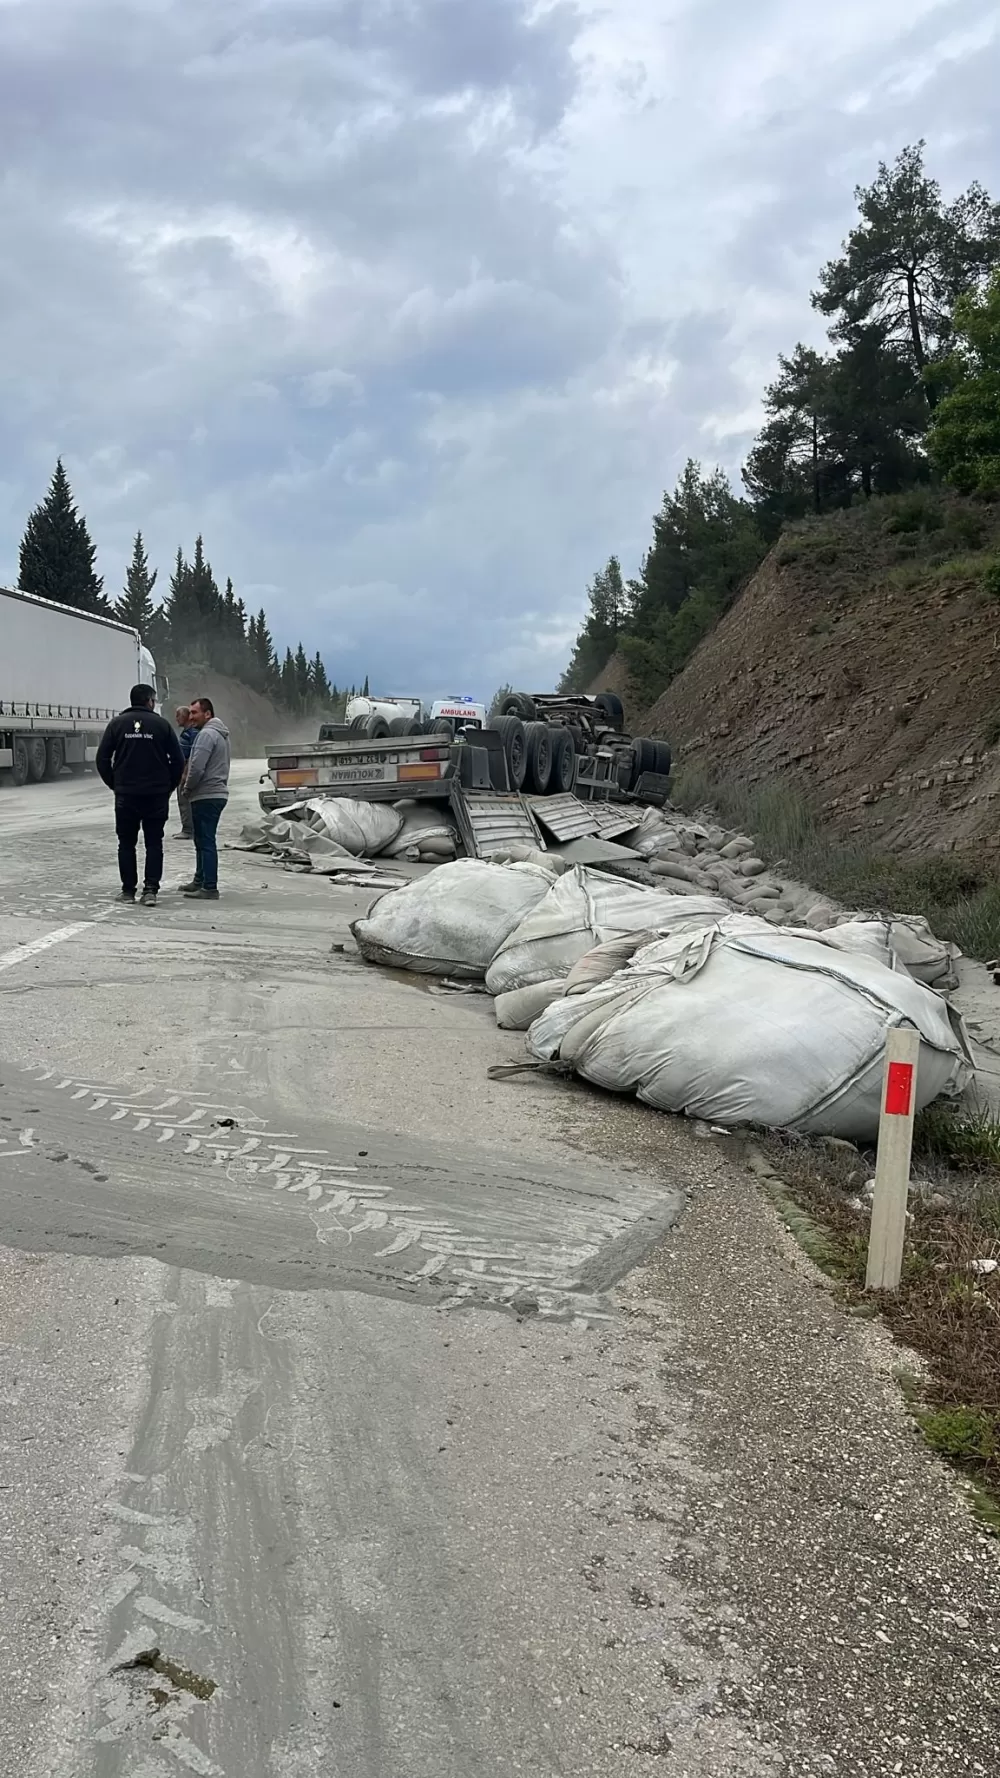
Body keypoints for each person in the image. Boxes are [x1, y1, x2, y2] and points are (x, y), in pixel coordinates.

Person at [96, 684, 185, 907]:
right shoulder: (162, 725)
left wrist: (115, 784)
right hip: (156, 795)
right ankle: (150, 891)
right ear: (149, 701)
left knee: (126, 843)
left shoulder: (117, 724)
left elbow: (102, 759)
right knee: (154, 843)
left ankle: (127, 891)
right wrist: (169, 786)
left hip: (126, 795)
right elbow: (178, 760)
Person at [179, 696, 231, 901]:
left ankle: (209, 887)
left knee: (206, 840)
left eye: (194, 712)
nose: (190, 717)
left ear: (207, 714)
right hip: (216, 792)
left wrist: (187, 787)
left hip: (205, 794)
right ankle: (199, 880)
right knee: (201, 839)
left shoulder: (206, 735)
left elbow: (197, 767)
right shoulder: (220, 734)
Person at [174, 704, 198, 839]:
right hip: (184, 771)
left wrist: (184, 774)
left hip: (186, 772)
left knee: (184, 801)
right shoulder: (187, 732)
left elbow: (192, 755)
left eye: (178, 715)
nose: (176, 719)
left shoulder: (192, 733)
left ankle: (188, 830)